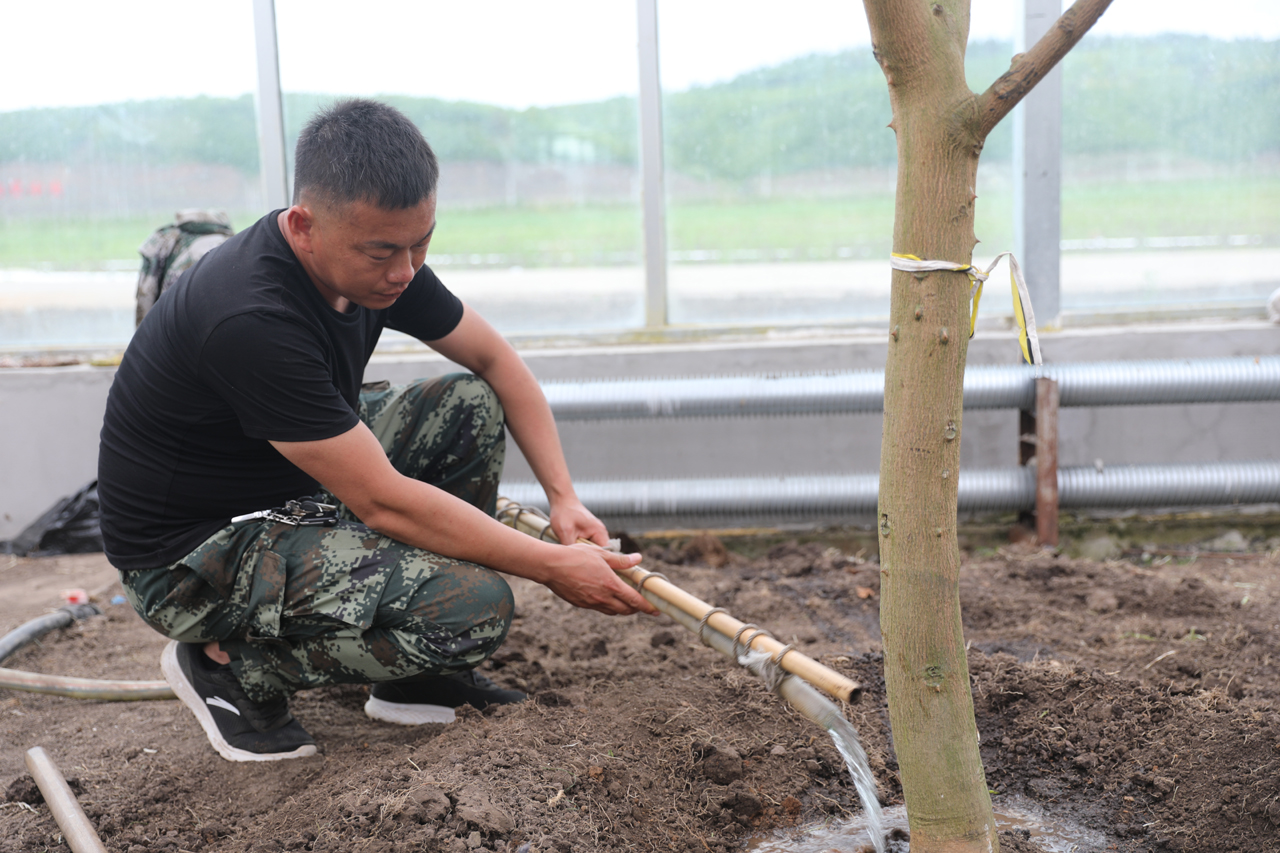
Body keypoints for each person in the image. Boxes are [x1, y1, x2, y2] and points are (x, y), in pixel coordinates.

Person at [97, 99, 656, 763]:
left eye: (422, 242)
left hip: (278, 484)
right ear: (304, 226)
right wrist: (553, 566)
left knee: (466, 403)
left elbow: (495, 361)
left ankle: (415, 675)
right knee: (474, 607)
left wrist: (564, 498)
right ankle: (230, 666)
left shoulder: (380, 263)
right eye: (385, 251)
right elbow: (381, 499)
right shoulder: (251, 315)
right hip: (191, 557)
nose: (406, 270)